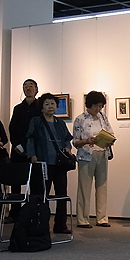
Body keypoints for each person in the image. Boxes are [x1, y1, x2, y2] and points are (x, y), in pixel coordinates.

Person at [26, 93, 74, 234]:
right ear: (42, 107)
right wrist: (32, 155)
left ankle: (60, 225)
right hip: (43, 163)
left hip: (60, 164)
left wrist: (68, 148)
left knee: (61, 194)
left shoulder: (60, 123)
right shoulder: (36, 121)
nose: (50, 106)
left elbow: (67, 139)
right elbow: (30, 139)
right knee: (42, 195)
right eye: (47, 104)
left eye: (52, 103)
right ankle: (42, 225)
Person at [73, 91, 114, 228]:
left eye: (101, 106)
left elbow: (110, 132)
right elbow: (75, 141)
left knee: (102, 186)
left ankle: (102, 218)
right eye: (96, 105)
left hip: (102, 153)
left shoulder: (103, 117)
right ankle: (82, 219)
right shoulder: (80, 119)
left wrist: (109, 140)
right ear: (89, 104)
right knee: (84, 188)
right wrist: (86, 140)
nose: (98, 109)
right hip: (86, 155)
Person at [6, 78, 40, 223]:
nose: (28, 88)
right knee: (15, 183)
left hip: (35, 151)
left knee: (35, 184)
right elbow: (12, 128)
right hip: (18, 150)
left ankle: (32, 214)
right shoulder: (18, 108)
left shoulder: (40, 107)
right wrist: (16, 145)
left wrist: (32, 149)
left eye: (31, 85)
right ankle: (14, 213)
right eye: (25, 86)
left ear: (36, 89)